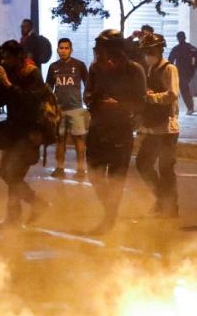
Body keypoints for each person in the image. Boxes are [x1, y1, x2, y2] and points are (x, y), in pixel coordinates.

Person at [85, 30, 147, 234]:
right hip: (98, 128)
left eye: (102, 49)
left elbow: (140, 102)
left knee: (116, 178)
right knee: (94, 174)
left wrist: (119, 105)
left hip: (121, 130)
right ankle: (109, 211)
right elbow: (88, 94)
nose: (98, 53)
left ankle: (110, 218)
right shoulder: (95, 68)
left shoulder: (134, 70)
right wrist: (95, 101)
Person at [0, 40, 53, 226]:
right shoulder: (10, 72)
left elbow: (32, 100)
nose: (5, 61)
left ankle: (22, 212)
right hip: (13, 130)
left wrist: (8, 84)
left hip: (30, 131)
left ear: (18, 56)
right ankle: (24, 210)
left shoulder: (31, 73)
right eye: (3, 58)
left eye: (8, 57)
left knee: (13, 174)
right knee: (5, 172)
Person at [136, 32, 181, 218]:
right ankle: (161, 199)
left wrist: (151, 97)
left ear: (160, 50)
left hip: (167, 127)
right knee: (142, 163)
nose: (148, 55)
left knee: (165, 168)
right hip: (151, 126)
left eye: (151, 51)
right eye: (146, 51)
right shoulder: (147, 69)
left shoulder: (169, 69)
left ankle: (170, 207)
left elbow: (172, 94)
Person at [47, 38, 89, 178]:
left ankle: (81, 170)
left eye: (66, 48)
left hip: (76, 108)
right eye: (61, 48)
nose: (63, 50)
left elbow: (88, 84)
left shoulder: (79, 65)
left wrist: (87, 99)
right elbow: (48, 87)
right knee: (60, 139)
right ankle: (60, 168)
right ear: (57, 50)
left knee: (78, 139)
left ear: (71, 50)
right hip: (59, 109)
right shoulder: (53, 67)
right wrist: (49, 106)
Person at [168, 31, 197, 115]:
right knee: (184, 89)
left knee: (183, 89)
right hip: (185, 72)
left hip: (182, 72)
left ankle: (189, 107)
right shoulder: (190, 48)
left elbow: (170, 61)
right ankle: (189, 107)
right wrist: (194, 67)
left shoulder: (180, 48)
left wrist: (194, 67)